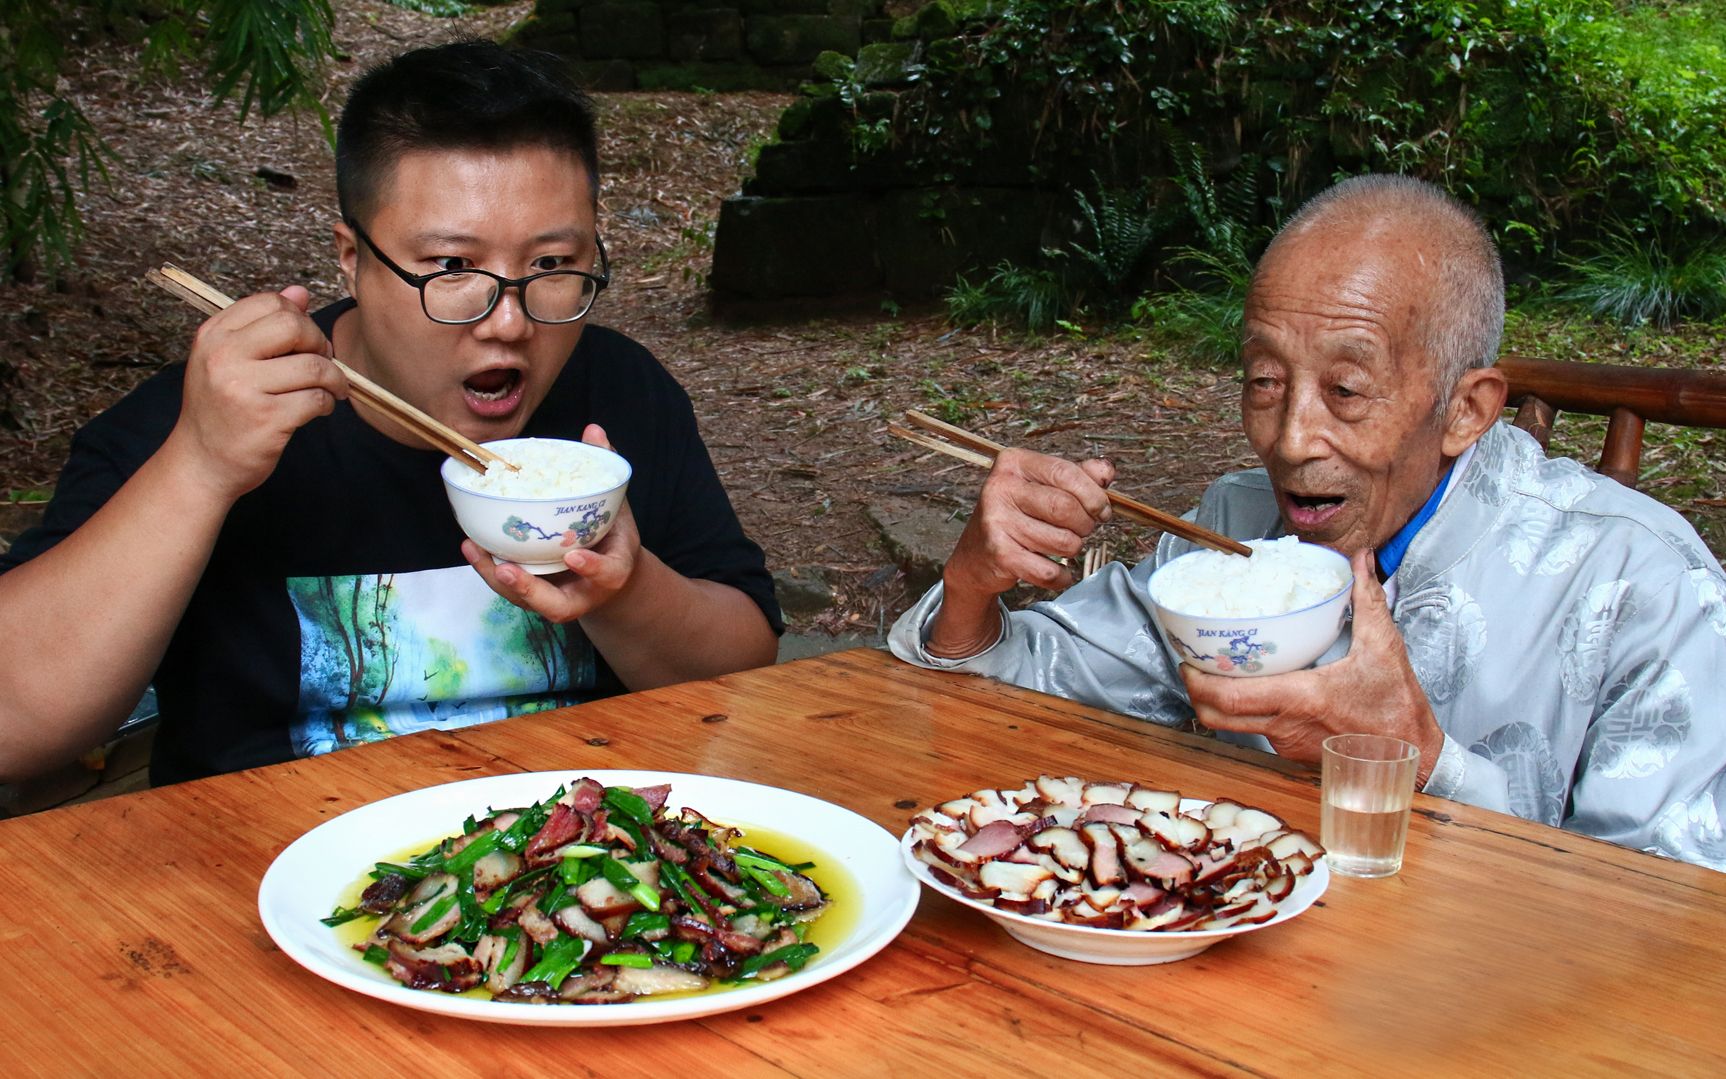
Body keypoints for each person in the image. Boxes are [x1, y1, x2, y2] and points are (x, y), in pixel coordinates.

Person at [889, 174, 1726, 870]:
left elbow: (1673, 923)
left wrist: (1423, 763)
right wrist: (971, 587)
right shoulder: (1236, 526)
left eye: (1347, 391)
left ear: (1468, 409)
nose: (1290, 441)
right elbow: (1014, 703)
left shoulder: (1643, 583)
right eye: (1264, 380)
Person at [0, 41, 781, 786]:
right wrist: (200, 468)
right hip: (266, 872)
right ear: (352, 257)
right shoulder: (209, 417)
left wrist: (628, 589)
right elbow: (16, 726)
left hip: (574, 867)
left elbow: (746, 673)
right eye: (450, 266)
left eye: (550, 265)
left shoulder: (617, 393)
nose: (507, 320)